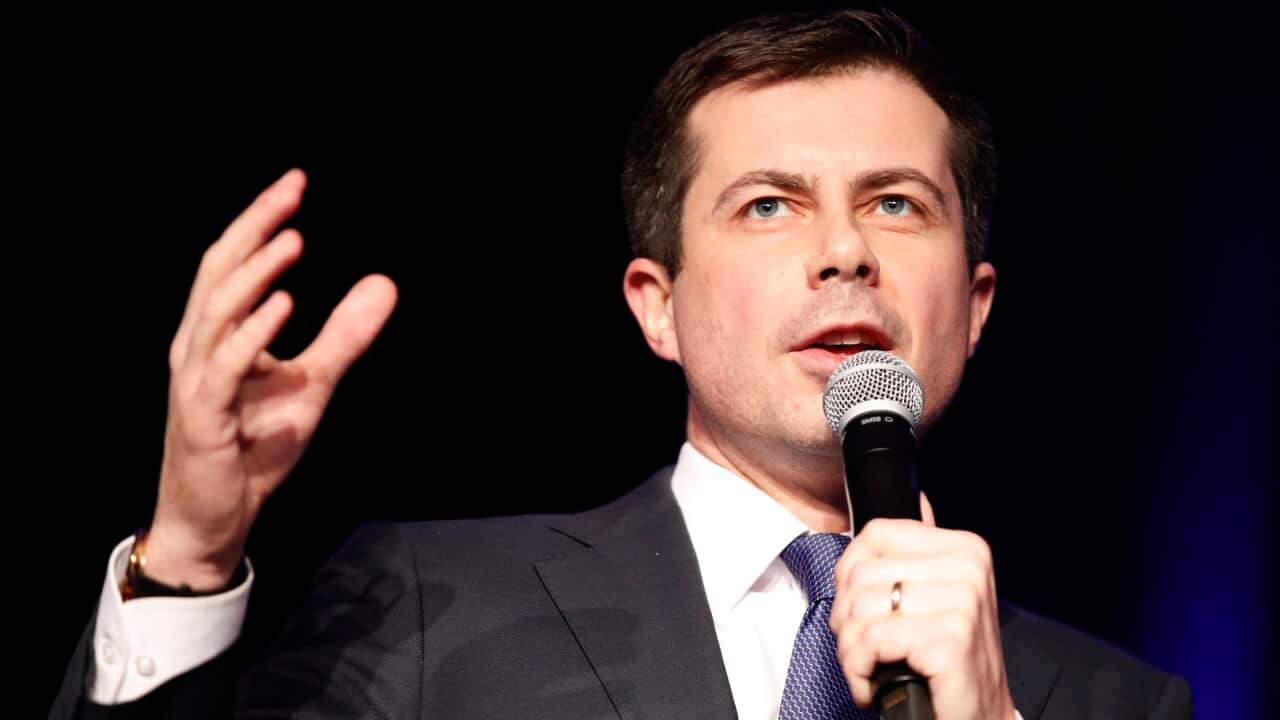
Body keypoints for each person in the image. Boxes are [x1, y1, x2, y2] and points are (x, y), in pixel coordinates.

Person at [50, 8, 1193, 719]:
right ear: (658, 308)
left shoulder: (1114, 701)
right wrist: (187, 555)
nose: (844, 251)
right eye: (767, 205)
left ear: (975, 307)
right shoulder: (428, 603)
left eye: (895, 203)